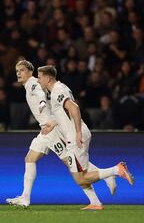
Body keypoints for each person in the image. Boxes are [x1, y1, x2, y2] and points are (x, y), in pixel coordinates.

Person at [6, 60, 116, 210]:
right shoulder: (29, 85)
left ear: (30, 72)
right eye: (17, 70)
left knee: (71, 164)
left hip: (51, 131)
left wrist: (43, 104)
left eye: (22, 70)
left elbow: (40, 94)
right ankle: (25, 197)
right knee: (30, 159)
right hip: (45, 130)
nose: (18, 73)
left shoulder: (32, 83)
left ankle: (105, 179)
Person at [37, 65, 134, 208]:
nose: (38, 81)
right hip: (75, 134)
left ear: (48, 77)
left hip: (76, 136)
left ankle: (115, 170)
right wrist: (53, 123)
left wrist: (77, 133)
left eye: (40, 78)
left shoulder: (58, 91)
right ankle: (95, 202)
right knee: (81, 169)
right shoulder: (59, 89)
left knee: (80, 178)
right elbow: (64, 113)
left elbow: (74, 108)